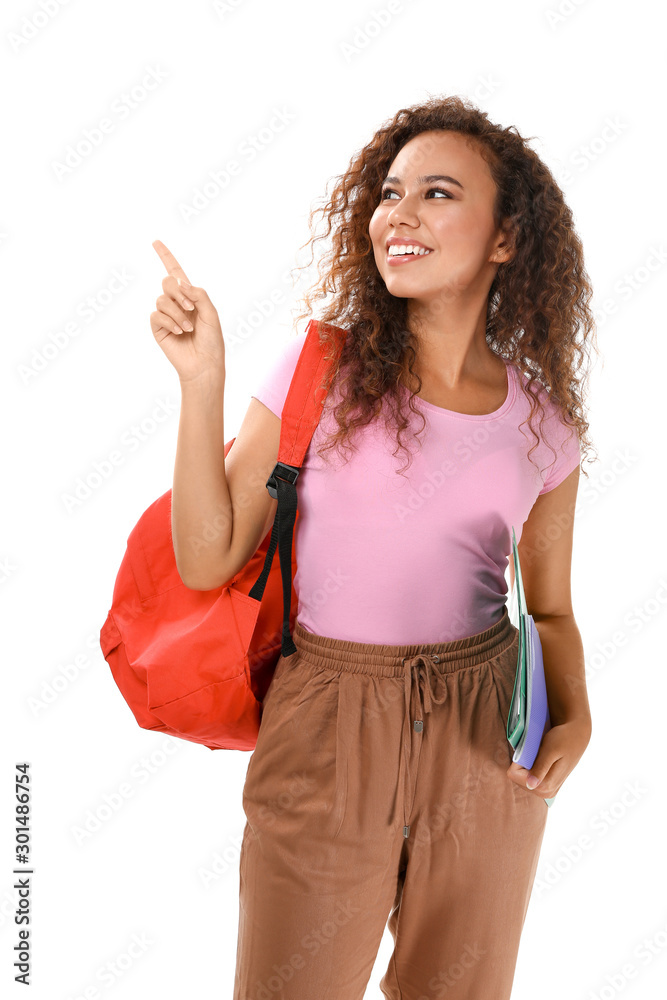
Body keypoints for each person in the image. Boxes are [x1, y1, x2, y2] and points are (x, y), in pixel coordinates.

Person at [150, 94, 597, 1000]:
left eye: (436, 193)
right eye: (390, 192)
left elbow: (549, 607)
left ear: (506, 239)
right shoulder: (322, 369)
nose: (398, 213)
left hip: (485, 727)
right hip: (325, 718)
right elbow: (206, 558)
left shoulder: (543, 425)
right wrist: (202, 386)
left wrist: (576, 713)